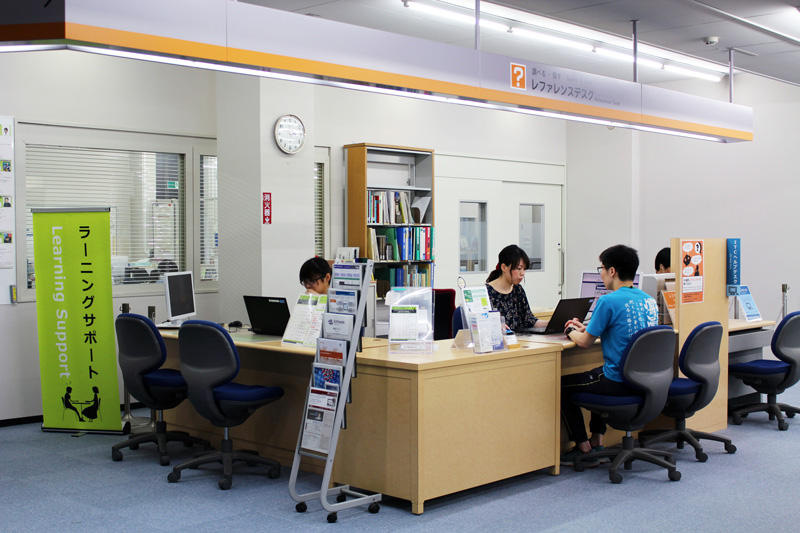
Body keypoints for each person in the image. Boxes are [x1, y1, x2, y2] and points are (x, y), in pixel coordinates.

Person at [559, 244, 658, 465]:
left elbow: (584, 343)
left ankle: (583, 446)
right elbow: (622, 330)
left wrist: (570, 331)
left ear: (612, 271)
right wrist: (588, 328)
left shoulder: (607, 301)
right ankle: (597, 440)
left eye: (601, 268)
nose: (601, 273)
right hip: (643, 380)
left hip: (617, 380)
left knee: (563, 385)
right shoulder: (649, 301)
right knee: (596, 373)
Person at [485, 245, 548, 332]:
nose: (522, 273)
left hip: (520, 341)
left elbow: (529, 320)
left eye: (524, 269)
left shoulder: (518, 290)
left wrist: (555, 323)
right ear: (504, 267)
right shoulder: (486, 292)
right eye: (519, 268)